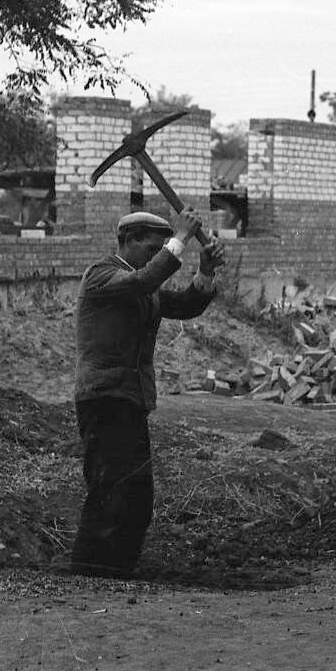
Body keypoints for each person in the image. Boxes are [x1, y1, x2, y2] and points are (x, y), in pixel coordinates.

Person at [69, 207, 226, 579]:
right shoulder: (101, 275)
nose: (158, 254)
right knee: (109, 487)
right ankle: (88, 573)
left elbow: (186, 305)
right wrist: (183, 238)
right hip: (103, 397)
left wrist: (205, 269)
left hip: (132, 399)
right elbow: (146, 279)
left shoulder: (143, 284)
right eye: (152, 247)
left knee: (137, 495)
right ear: (129, 241)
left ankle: (119, 571)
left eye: (161, 247)